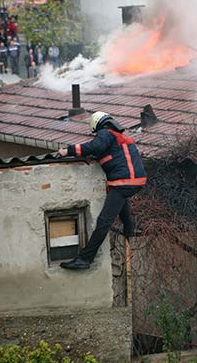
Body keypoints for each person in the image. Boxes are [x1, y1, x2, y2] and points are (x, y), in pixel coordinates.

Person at [58, 111, 147, 270]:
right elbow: (105, 153)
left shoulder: (106, 132)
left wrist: (68, 151)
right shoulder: (120, 136)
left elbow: (95, 146)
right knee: (121, 201)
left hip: (124, 182)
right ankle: (129, 229)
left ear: (97, 124)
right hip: (134, 182)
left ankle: (85, 259)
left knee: (104, 221)